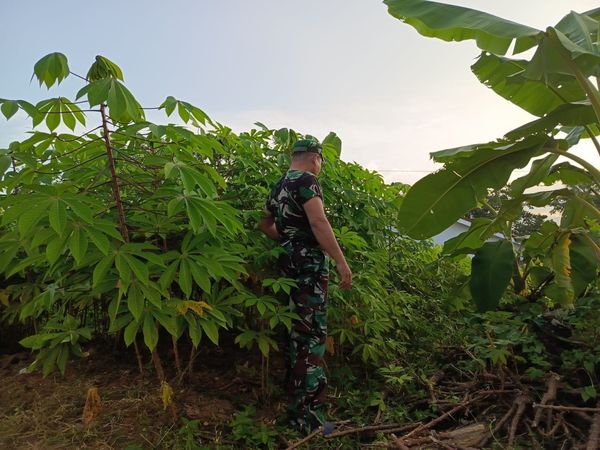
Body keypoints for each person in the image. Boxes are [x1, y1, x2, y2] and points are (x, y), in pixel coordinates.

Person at [259, 138, 352, 434]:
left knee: (298, 332)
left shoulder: (279, 184)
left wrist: (288, 241)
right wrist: (340, 260)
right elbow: (319, 223)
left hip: (287, 263)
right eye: (321, 161)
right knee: (311, 335)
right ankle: (307, 418)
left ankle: (295, 407)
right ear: (315, 159)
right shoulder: (308, 180)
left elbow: (265, 224)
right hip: (309, 265)